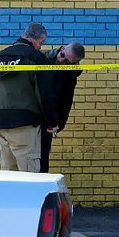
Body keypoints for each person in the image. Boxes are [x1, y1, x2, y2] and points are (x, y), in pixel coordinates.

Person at [0, 23, 59, 173]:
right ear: (38, 40)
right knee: (29, 175)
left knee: (9, 175)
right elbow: (45, 93)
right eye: (41, 43)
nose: (40, 47)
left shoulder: (0, 57)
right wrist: (52, 121)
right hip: (25, 125)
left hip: (1, 124)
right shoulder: (35, 57)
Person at [40, 42, 85, 173]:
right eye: (62, 55)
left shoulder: (70, 74)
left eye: (67, 62)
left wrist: (59, 124)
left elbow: (66, 100)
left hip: (48, 123)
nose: (62, 60)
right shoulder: (42, 58)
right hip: (32, 117)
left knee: (42, 161)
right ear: (62, 48)